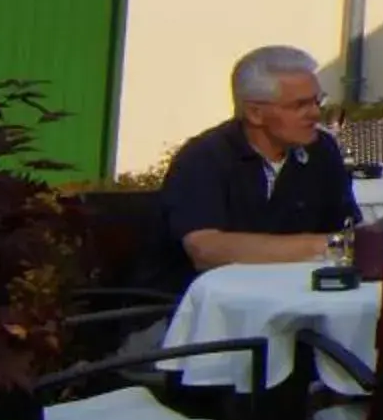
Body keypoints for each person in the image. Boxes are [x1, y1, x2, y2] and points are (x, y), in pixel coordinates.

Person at [151, 45, 361, 287]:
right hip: (193, 307)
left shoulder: (321, 150)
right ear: (255, 113)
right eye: (299, 105)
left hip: (291, 293)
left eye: (317, 101)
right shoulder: (205, 156)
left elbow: (349, 230)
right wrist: (324, 245)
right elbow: (205, 249)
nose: (314, 113)